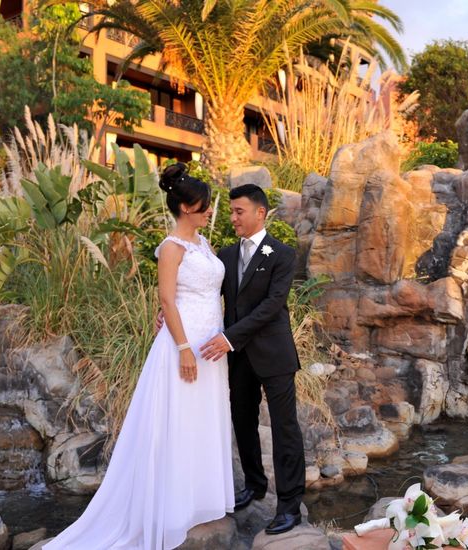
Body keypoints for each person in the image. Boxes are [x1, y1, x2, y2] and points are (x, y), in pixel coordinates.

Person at [45, 163, 235, 549]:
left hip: (209, 343)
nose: (210, 211)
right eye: (204, 206)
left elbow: (198, 293)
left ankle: (201, 498)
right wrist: (182, 347)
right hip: (184, 345)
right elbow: (167, 297)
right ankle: (173, 506)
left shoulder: (203, 244)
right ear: (185, 208)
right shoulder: (171, 247)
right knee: (179, 419)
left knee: (202, 416)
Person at [197, 183, 306, 535]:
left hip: (274, 354)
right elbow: (204, 296)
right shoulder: (225, 256)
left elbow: (272, 306)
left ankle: (290, 507)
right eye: (230, 211)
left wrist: (229, 337)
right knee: (242, 423)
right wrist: (168, 314)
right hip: (239, 357)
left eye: (238, 211)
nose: (232, 218)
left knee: (284, 428)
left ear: (260, 212)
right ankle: (254, 485)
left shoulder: (283, 254)